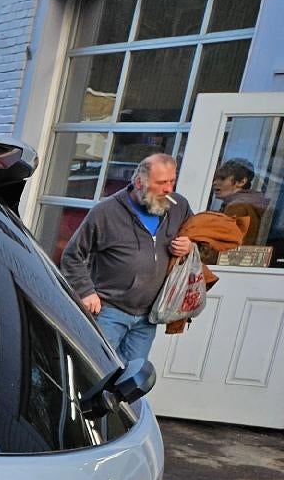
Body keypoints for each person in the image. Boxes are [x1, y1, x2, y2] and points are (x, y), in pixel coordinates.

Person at [59, 153, 195, 370]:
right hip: (108, 312)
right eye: (161, 183)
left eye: (172, 181)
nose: (169, 189)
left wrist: (190, 244)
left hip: (147, 316)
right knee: (95, 370)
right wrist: (85, 291)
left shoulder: (178, 207)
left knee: (131, 380)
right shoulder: (105, 212)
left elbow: (197, 236)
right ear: (139, 182)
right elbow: (72, 256)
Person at [210, 158, 270, 247]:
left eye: (222, 178)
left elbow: (222, 244)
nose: (214, 182)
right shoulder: (245, 204)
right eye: (215, 179)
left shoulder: (237, 207)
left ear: (242, 182)